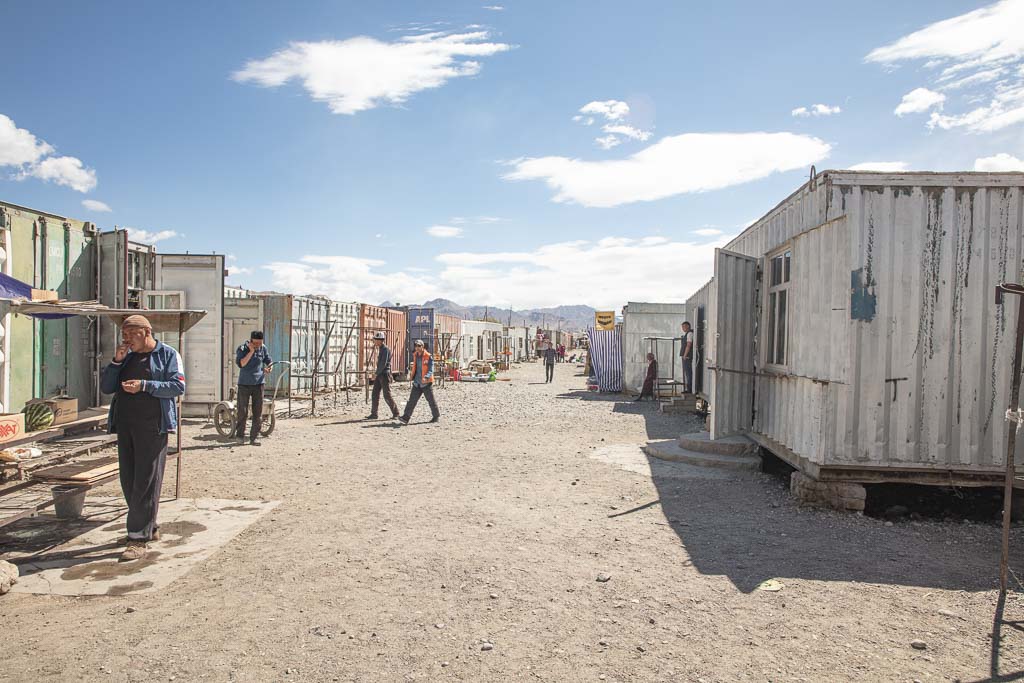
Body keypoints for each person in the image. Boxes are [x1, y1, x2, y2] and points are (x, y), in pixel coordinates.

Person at [100, 314, 185, 562]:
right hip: (126, 425)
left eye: (130, 334)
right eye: (123, 335)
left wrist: (145, 385)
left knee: (146, 481)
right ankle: (148, 526)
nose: (126, 339)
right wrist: (116, 362)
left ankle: (137, 538)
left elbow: (177, 386)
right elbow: (107, 387)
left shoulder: (168, 355)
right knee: (129, 478)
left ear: (146, 332)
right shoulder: (125, 357)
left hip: (153, 426)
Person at [235, 330, 273, 445]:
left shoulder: (263, 348)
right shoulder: (242, 349)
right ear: (251, 341)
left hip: (258, 383)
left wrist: (269, 367)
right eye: (255, 344)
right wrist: (251, 351)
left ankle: (254, 437)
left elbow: (268, 360)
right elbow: (242, 363)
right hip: (244, 383)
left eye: (259, 344)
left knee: (258, 412)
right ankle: (240, 435)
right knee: (243, 410)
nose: (258, 346)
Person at [399, 339, 440, 424]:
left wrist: (427, 376)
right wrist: (411, 376)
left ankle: (436, 416)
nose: (417, 347)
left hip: (426, 383)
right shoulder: (415, 355)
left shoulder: (428, 356)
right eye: (416, 346)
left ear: (422, 347)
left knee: (431, 400)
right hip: (417, 382)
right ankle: (405, 417)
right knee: (412, 401)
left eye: (419, 346)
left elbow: (431, 369)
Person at [367, 331, 400, 420]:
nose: (375, 342)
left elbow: (383, 363)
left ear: (381, 341)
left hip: (384, 374)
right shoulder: (381, 349)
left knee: (387, 395)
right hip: (380, 374)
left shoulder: (385, 350)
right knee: (375, 394)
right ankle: (374, 414)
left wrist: (376, 374)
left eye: (376, 340)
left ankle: (396, 413)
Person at [680, 321, 694, 394]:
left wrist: (685, 355)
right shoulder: (686, 334)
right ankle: (688, 388)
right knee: (687, 373)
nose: (683, 328)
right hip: (685, 357)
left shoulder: (689, 334)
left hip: (687, 357)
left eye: (684, 326)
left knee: (688, 373)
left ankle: (689, 389)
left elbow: (688, 345)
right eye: (682, 327)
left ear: (688, 326)